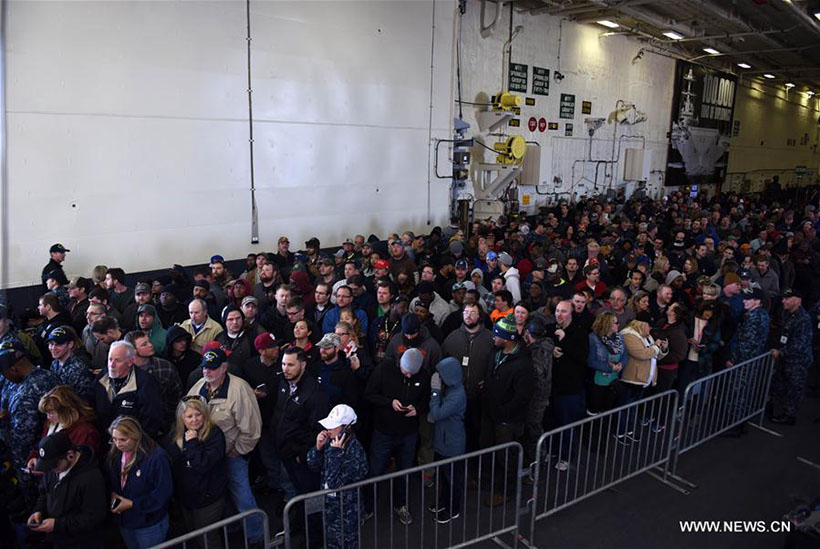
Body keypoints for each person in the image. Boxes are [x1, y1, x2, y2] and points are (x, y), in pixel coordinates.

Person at [186, 348, 265, 544]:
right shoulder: (197, 388)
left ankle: (257, 536)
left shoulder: (240, 389)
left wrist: (237, 451)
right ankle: (233, 528)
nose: (207, 372)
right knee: (222, 497)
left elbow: (252, 428)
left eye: (212, 368)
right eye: (205, 368)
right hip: (208, 457)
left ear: (224, 368)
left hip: (231, 455)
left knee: (242, 496)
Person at [364, 347, 430, 525]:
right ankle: (367, 507)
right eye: (406, 372)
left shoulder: (423, 375)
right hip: (383, 432)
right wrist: (389, 402)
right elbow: (369, 394)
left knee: (404, 471)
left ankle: (400, 505)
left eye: (412, 374)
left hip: (408, 433)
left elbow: (426, 400)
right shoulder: (384, 369)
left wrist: (418, 409)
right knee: (375, 471)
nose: (409, 376)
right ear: (400, 363)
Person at [273, 347, 329, 539]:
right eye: (283, 364)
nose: (285, 369)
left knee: (310, 497)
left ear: (303, 365)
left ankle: (314, 537)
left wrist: (301, 454)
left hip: (302, 459)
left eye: (290, 364)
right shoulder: (283, 383)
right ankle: (297, 529)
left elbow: (317, 429)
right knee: (295, 494)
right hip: (285, 453)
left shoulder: (315, 393)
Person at [164, 397, 228, 549]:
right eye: (189, 416)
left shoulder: (215, 434)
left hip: (208, 499)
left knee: (207, 537)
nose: (194, 420)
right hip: (186, 497)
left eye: (198, 415)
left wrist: (193, 443)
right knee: (193, 533)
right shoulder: (176, 434)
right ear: (182, 418)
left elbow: (202, 465)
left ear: (205, 415)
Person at [26, 431, 107, 548]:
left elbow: (94, 517)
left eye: (55, 465)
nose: (51, 469)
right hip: (59, 540)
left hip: (82, 543)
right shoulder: (52, 469)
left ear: (70, 454)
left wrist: (57, 525)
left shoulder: (92, 477)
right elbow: (44, 494)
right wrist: (38, 511)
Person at [307, 404, 369, 549]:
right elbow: (312, 465)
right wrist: (318, 447)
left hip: (346, 513)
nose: (328, 429)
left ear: (346, 427)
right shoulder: (331, 441)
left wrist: (335, 455)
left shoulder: (355, 452)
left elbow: (333, 482)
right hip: (330, 508)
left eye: (333, 426)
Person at [106, 415, 172, 549]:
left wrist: (132, 504)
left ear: (135, 436)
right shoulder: (115, 454)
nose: (118, 444)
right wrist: (112, 494)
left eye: (123, 440)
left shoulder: (157, 457)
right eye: (114, 439)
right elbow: (110, 480)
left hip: (149, 523)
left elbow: (163, 494)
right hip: (126, 521)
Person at [0, 341, 60, 474]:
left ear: (13, 370)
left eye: (5, 374)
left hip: (31, 459)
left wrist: (3, 427)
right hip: (51, 449)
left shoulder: (24, 395)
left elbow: (23, 437)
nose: (6, 379)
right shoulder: (48, 374)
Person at [441, 302, 494, 451]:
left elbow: (496, 366)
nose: (468, 316)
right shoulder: (452, 338)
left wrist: (488, 381)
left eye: (472, 313)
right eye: (466, 312)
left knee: (477, 431)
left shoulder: (490, 339)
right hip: (455, 397)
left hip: (479, 397)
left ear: (480, 316)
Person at [94, 341, 165, 440]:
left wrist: (131, 441)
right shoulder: (102, 377)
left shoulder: (146, 383)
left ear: (130, 361)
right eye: (110, 359)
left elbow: (152, 420)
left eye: (117, 361)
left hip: (133, 441)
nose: (112, 365)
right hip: (105, 441)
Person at [549, 300, 588, 471]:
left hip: (570, 388)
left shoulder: (579, 333)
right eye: (557, 310)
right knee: (551, 422)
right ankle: (552, 451)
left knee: (566, 424)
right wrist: (551, 350)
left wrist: (565, 342)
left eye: (563, 311)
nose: (559, 314)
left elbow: (582, 357)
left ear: (571, 313)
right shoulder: (550, 329)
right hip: (551, 386)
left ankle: (565, 456)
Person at [614, 320, 667, 444]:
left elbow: (655, 355)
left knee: (634, 408)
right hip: (631, 379)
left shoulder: (647, 336)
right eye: (648, 325)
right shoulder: (628, 335)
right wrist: (656, 347)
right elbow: (642, 354)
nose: (650, 328)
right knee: (625, 408)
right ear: (640, 324)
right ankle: (620, 432)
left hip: (644, 379)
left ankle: (629, 431)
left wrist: (663, 349)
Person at [427, 358, 466, 524]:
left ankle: (452, 509)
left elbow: (437, 413)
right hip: (444, 441)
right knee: (443, 476)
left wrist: (435, 392)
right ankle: (444, 502)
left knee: (452, 479)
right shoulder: (451, 389)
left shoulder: (456, 396)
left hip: (452, 444)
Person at [27, 386, 102, 469]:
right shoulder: (51, 423)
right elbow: (43, 447)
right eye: (46, 413)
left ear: (67, 410)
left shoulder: (85, 432)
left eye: (51, 412)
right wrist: (34, 457)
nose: (48, 417)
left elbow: (83, 465)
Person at [769, 288, 813, 425]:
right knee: (781, 384)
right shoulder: (788, 314)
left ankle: (790, 415)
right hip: (786, 359)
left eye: (787, 299)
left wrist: (781, 352)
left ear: (797, 300)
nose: (783, 301)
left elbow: (799, 344)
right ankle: (779, 408)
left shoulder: (803, 319)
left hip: (797, 361)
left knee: (794, 388)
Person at [124, 331, 183, 429]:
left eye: (149, 341)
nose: (150, 345)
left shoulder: (166, 367)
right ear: (133, 350)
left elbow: (177, 397)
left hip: (163, 425)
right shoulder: (125, 371)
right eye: (144, 344)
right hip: (133, 426)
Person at [587, 311, 627, 415]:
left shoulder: (619, 337)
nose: (618, 324)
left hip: (614, 380)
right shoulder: (593, 338)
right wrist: (609, 368)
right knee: (595, 409)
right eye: (615, 322)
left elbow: (624, 355)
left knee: (608, 409)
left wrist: (621, 364)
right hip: (598, 382)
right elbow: (590, 361)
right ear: (607, 324)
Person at [46, 326, 95, 402]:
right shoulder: (55, 363)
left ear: (70, 344)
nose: (53, 348)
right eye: (51, 344)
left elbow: (84, 400)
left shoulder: (79, 368)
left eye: (58, 344)